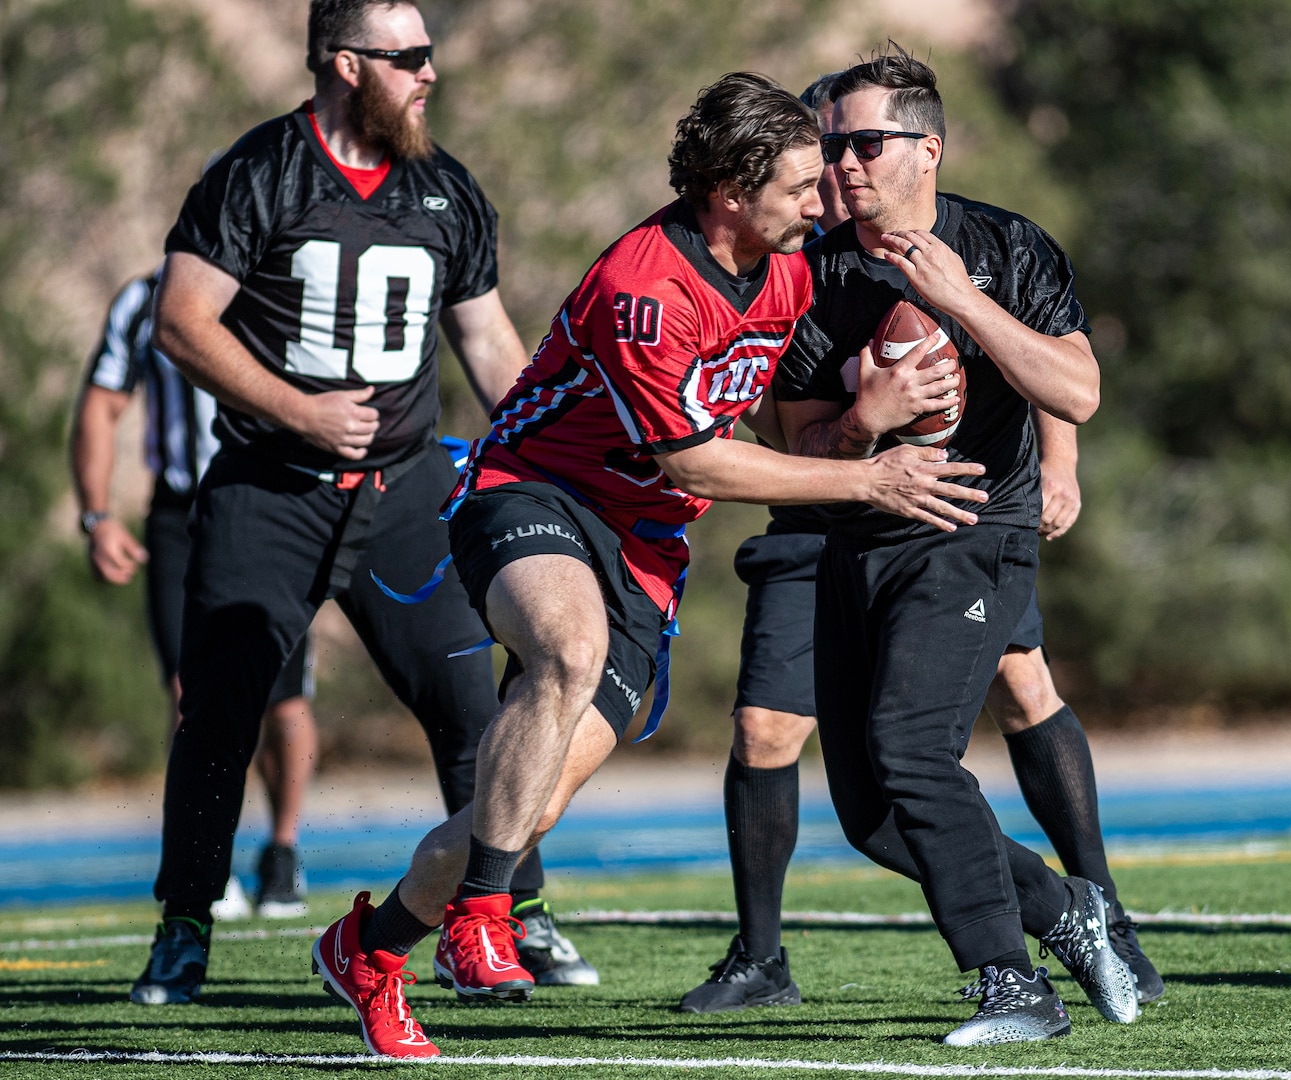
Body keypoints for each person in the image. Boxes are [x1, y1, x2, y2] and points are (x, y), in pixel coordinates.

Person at [310, 70, 993, 1060]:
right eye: (801, 185)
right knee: (570, 650)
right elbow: (696, 459)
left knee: (523, 801)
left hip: (646, 546)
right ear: (728, 189)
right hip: (534, 492)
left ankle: (370, 950)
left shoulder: (791, 264)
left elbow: (775, 425)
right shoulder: (646, 287)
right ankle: (489, 914)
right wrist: (871, 477)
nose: (820, 201)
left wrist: (874, 411)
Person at [677, 73, 1161, 1016]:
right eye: (831, 147)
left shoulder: (1008, 245)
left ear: (925, 150)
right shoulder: (805, 271)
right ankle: (1070, 913)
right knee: (869, 815)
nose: (842, 164)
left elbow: (1079, 392)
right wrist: (868, 418)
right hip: (852, 539)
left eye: (864, 144)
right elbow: (798, 441)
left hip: (974, 531)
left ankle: (1011, 982)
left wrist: (960, 302)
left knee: (916, 745)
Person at [128, 0, 581, 1005]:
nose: (430, 73)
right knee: (220, 713)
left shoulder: (445, 188)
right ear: (346, 63)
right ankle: (186, 923)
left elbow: (491, 347)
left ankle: (507, 916)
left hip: (408, 487)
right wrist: (301, 412)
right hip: (270, 486)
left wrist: (570, 464)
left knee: (476, 702)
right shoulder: (258, 172)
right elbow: (181, 323)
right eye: (409, 57)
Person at [72, 266, 318, 920]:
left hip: (277, 507)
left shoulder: (296, 283)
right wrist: (97, 517)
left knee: (283, 703)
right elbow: (101, 401)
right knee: (191, 693)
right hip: (183, 510)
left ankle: (284, 848)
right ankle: (210, 859)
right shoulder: (146, 296)